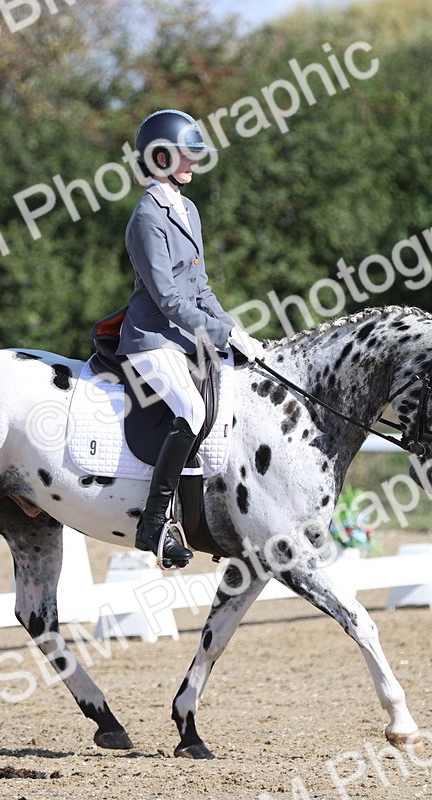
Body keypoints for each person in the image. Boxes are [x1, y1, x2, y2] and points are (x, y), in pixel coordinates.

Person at [118, 109, 265, 569]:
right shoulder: (147, 218)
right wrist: (221, 334)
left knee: (221, 405)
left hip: (183, 337)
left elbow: (199, 290)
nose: (194, 163)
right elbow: (167, 299)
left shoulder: (188, 209)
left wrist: (235, 331)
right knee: (194, 409)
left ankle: (199, 520)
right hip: (151, 338)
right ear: (160, 157)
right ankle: (154, 522)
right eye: (186, 155)